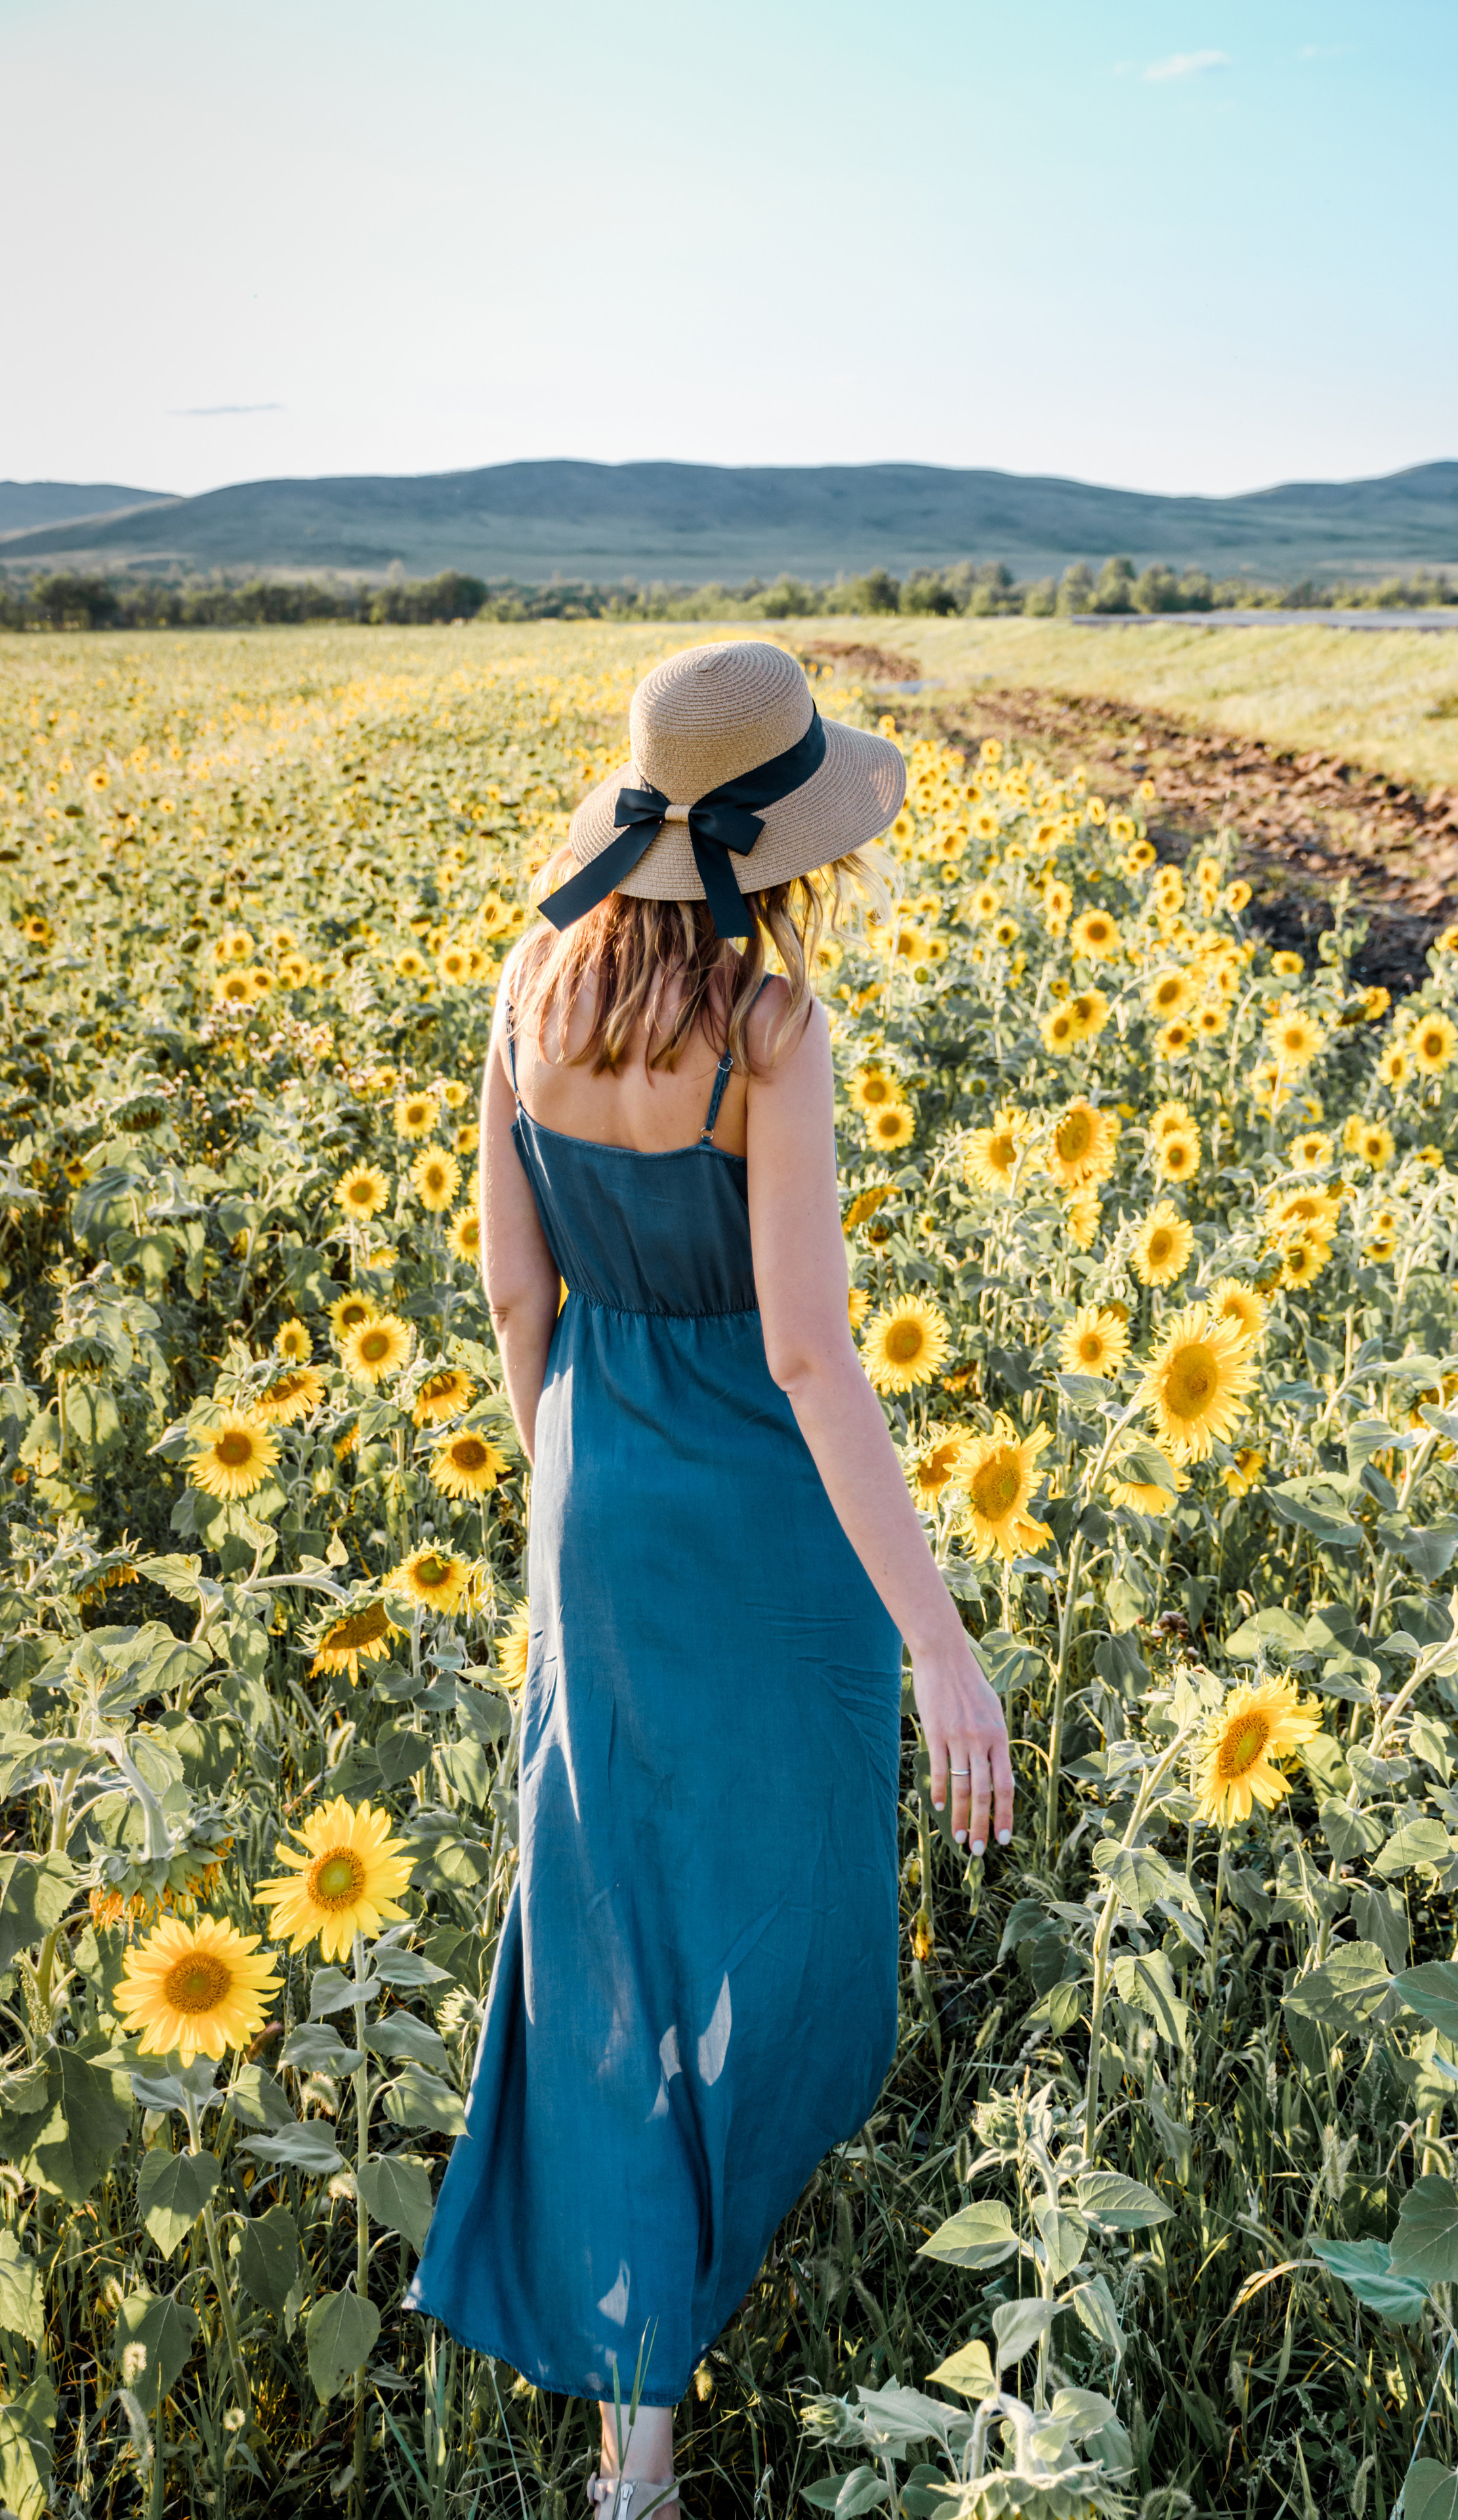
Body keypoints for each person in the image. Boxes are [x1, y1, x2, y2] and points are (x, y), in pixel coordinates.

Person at [406, 640, 1012, 2520]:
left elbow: (517, 1295)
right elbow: (816, 1361)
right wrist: (942, 1648)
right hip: (763, 1509)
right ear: (782, 852)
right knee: (794, 1899)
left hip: (596, 1480)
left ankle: (634, 2455)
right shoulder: (768, 1032)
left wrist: (568, 1464)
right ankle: (709, 2239)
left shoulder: (529, 986)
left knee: (607, 1918)